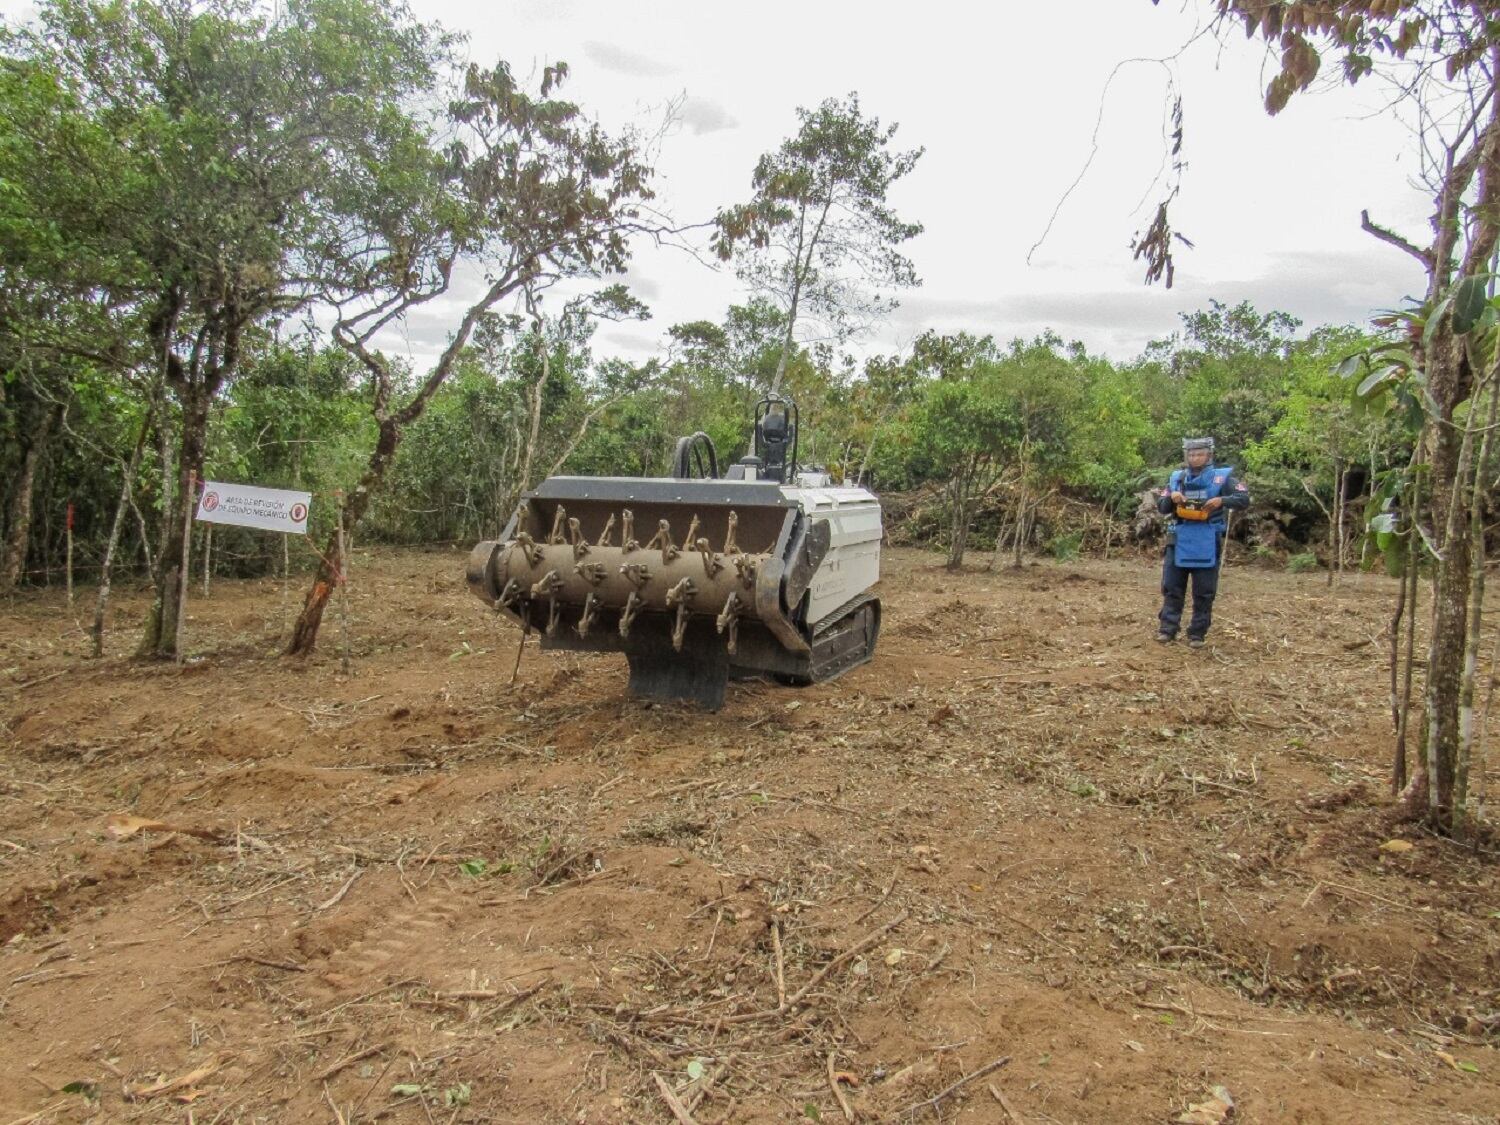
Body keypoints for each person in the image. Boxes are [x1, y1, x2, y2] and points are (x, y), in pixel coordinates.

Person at [1154, 437, 1249, 648]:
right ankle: (1167, 629)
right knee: (1172, 587)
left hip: (1207, 538)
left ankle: (1197, 633)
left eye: (1199, 454)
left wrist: (1222, 501)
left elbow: (1244, 499)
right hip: (1178, 538)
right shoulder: (1176, 479)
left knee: (1204, 590)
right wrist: (1172, 499)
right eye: (1191, 454)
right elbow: (1161, 506)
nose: (1195, 458)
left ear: (1209, 455)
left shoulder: (1222, 478)